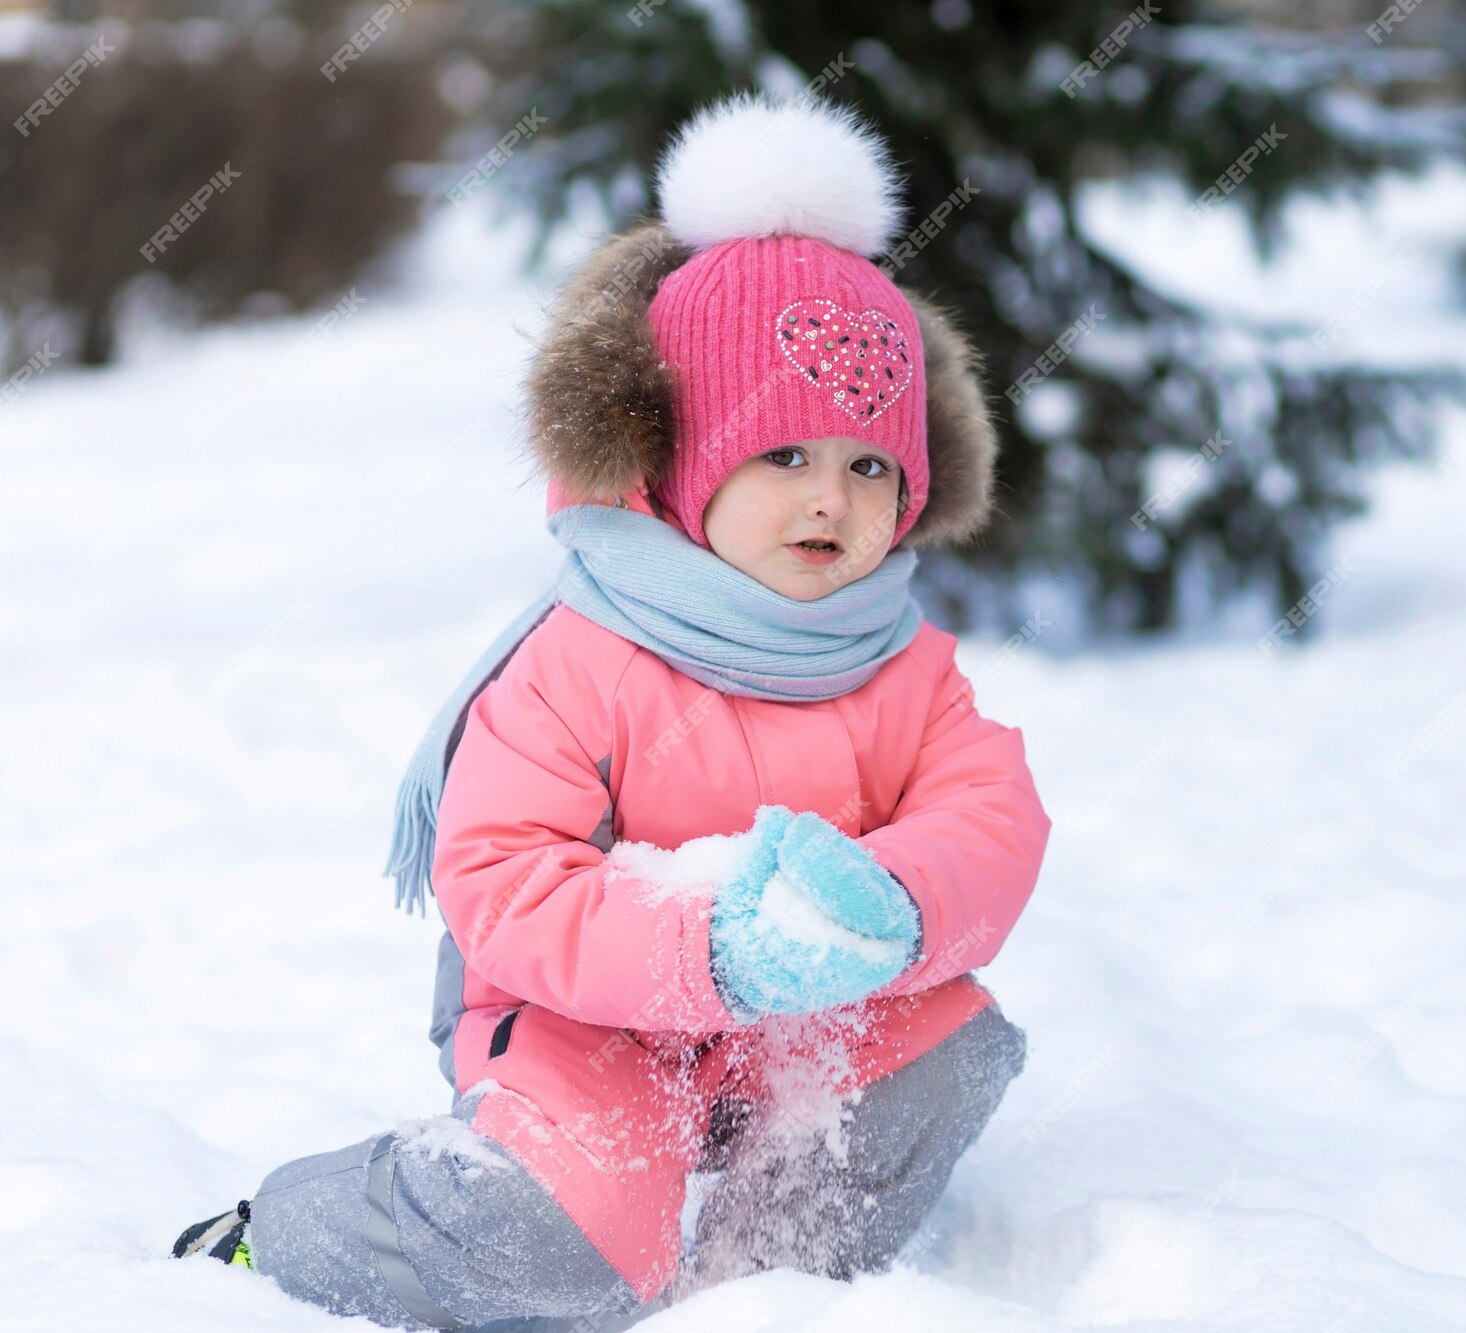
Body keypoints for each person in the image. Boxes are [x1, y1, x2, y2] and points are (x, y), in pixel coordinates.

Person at [169, 90, 1051, 1332]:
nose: (830, 501)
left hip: (801, 1019)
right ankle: (316, 1223)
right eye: (783, 456)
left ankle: (772, 1269)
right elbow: (504, 877)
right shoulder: (583, 656)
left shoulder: (898, 661)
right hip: (589, 1016)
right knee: (558, 1249)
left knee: (939, 1052)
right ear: (684, 460)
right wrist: (706, 947)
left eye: (869, 466)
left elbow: (987, 816)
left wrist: (895, 902)